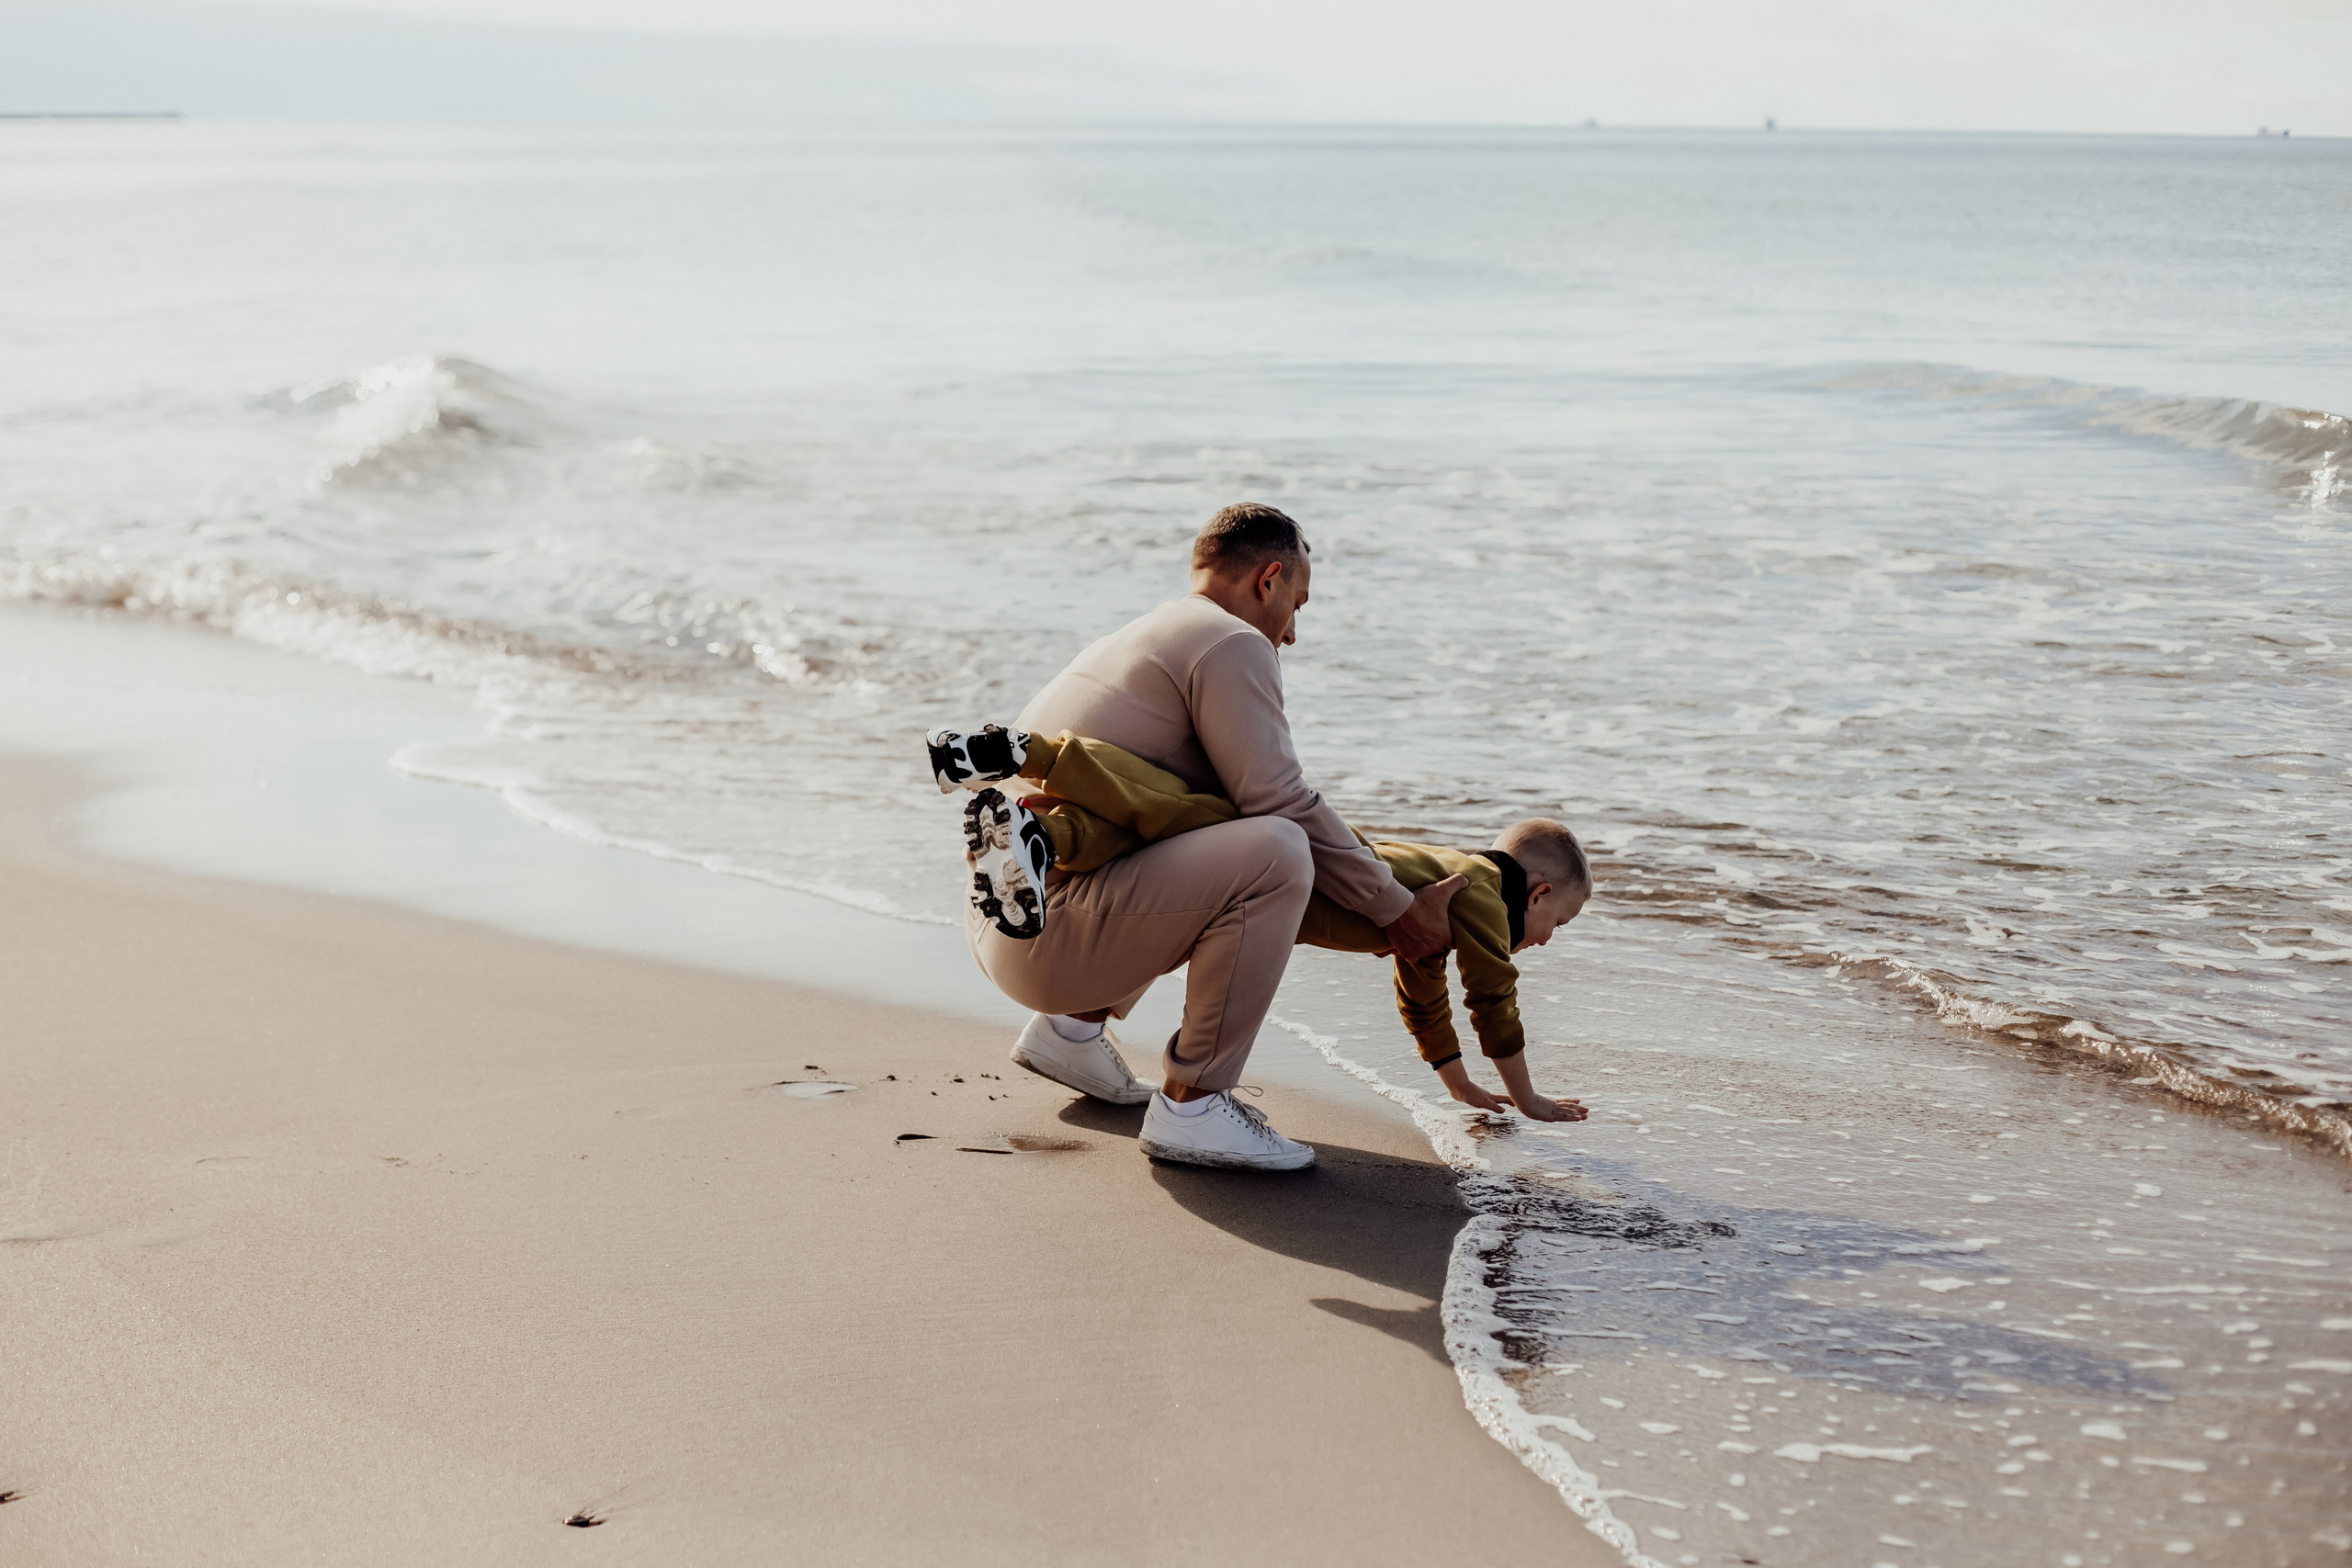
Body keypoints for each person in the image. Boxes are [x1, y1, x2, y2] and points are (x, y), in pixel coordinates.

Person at [942, 503, 1464, 1172]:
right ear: (1268, 579)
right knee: (1276, 850)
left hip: (1007, 933)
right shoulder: (1233, 641)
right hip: (1053, 941)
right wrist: (1397, 911)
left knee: (1196, 818)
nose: (1293, 633)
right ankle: (1195, 1104)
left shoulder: (1146, 631)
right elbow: (1281, 801)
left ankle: (1072, 1030)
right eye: (1297, 605)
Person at [936, 727, 1591, 1123]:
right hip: (1270, 869)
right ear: (1536, 892)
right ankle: (1035, 766)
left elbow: (1424, 990)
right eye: (1556, 921)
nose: (1546, 939)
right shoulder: (1478, 892)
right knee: (1165, 806)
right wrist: (1527, 1097)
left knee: (1151, 821)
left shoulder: (1444, 891)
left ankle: (1037, 808)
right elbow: (1491, 998)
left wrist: (1459, 1084)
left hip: (1259, 880)